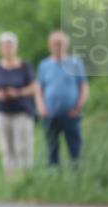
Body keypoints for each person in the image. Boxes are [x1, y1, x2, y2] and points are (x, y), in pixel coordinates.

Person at [0, 32, 37, 179]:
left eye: (10, 46)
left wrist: (18, 92)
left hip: (22, 111)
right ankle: (10, 178)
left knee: (22, 147)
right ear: (0, 48)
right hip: (2, 111)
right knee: (6, 147)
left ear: (15, 47)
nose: (7, 49)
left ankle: (26, 177)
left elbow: (34, 87)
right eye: (4, 46)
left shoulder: (24, 66)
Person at [34, 30, 89, 167]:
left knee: (75, 148)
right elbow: (39, 89)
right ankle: (53, 174)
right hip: (50, 114)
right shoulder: (44, 65)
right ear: (49, 45)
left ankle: (77, 173)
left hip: (71, 113)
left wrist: (78, 108)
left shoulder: (75, 63)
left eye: (61, 43)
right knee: (52, 148)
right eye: (55, 43)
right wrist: (41, 108)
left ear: (67, 44)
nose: (58, 46)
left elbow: (83, 87)